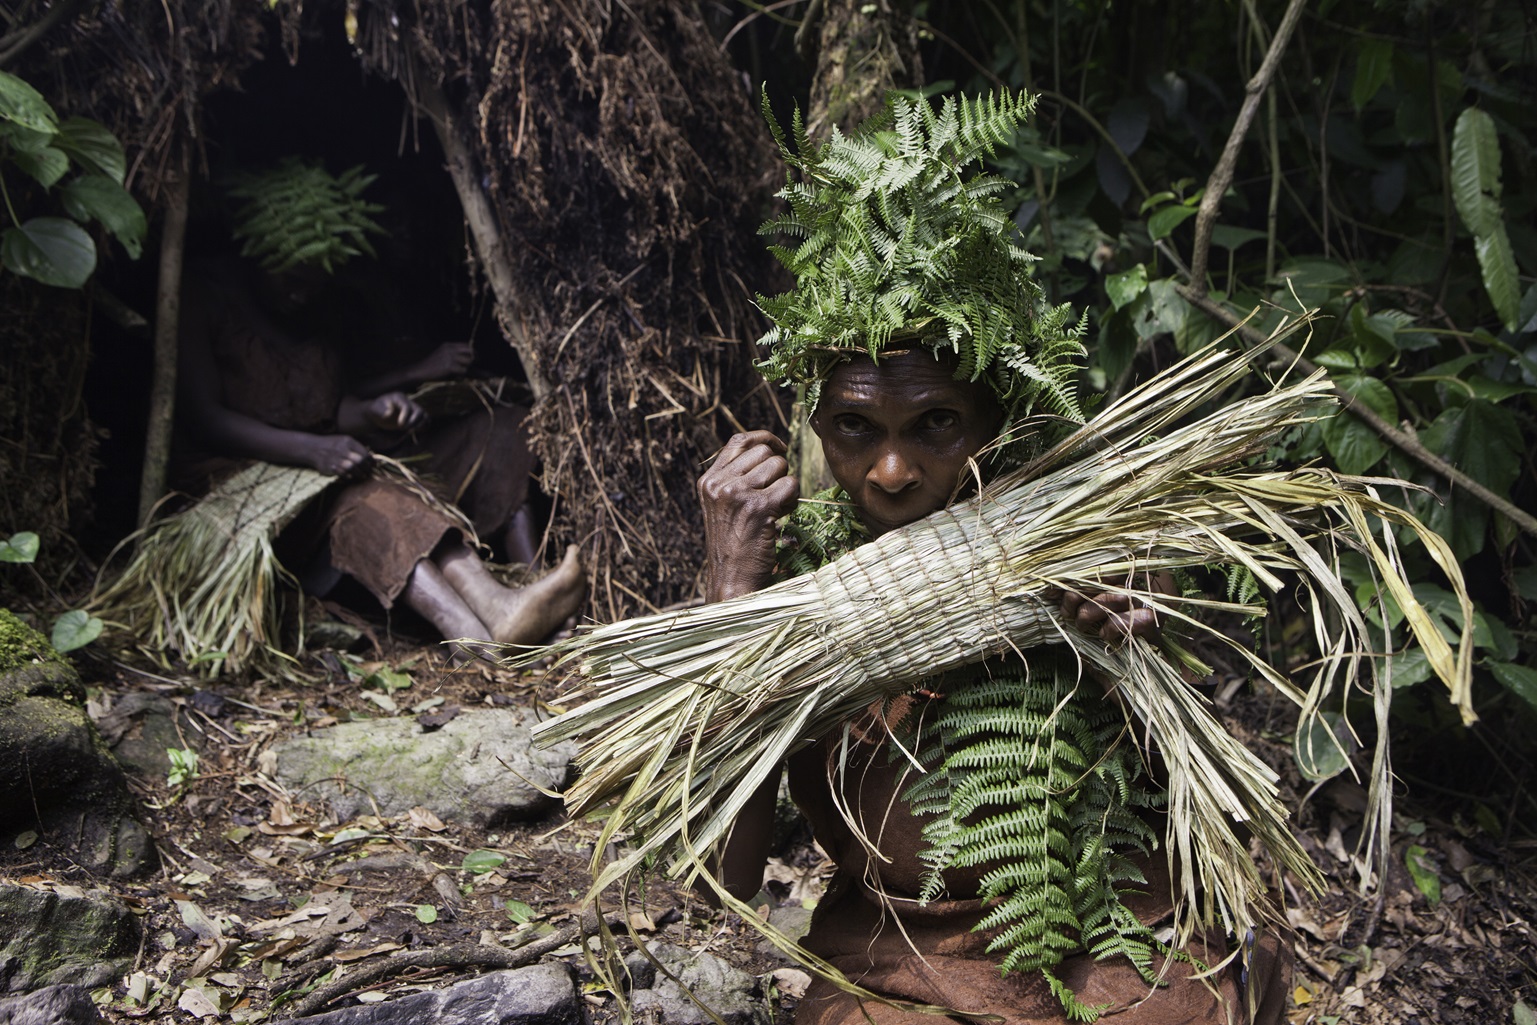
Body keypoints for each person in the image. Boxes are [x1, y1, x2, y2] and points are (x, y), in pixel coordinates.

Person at [694, 93, 1292, 1024]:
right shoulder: (785, 586)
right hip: (898, 969)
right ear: (815, 428)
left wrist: (1132, 639)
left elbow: (1185, 805)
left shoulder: (1081, 542)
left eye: (935, 423)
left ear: (995, 421)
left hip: (1110, 954)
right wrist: (732, 599)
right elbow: (720, 885)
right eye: (856, 428)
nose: (891, 471)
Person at [175, 158, 585, 661]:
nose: (301, 292)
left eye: (314, 281)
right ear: (256, 250)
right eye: (289, 278)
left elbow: (329, 408)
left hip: (336, 458)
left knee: (498, 433)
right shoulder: (205, 295)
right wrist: (313, 451)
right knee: (373, 495)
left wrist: (374, 413)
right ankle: (478, 632)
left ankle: (525, 596)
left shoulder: (317, 307)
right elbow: (205, 418)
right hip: (254, 485)